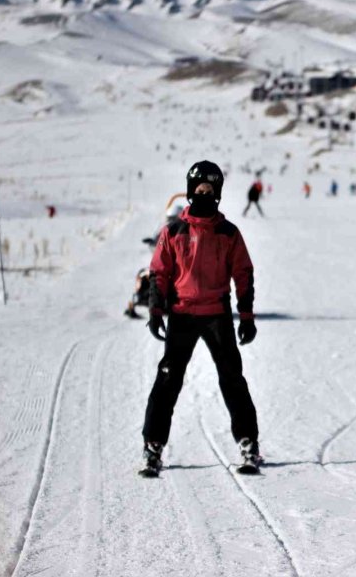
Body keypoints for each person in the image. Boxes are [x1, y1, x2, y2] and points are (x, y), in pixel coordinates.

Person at [140, 160, 261, 477]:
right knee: (168, 380)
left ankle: (249, 444)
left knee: (232, 379)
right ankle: (153, 447)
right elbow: (159, 273)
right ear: (191, 191)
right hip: (181, 313)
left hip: (216, 315)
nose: (204, 194)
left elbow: (243, 273)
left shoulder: (228, 233)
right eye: (199, 190)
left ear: (217, 193)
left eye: (209, 190)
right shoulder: (174, 231)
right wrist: (155, 311)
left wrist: (246, 316)